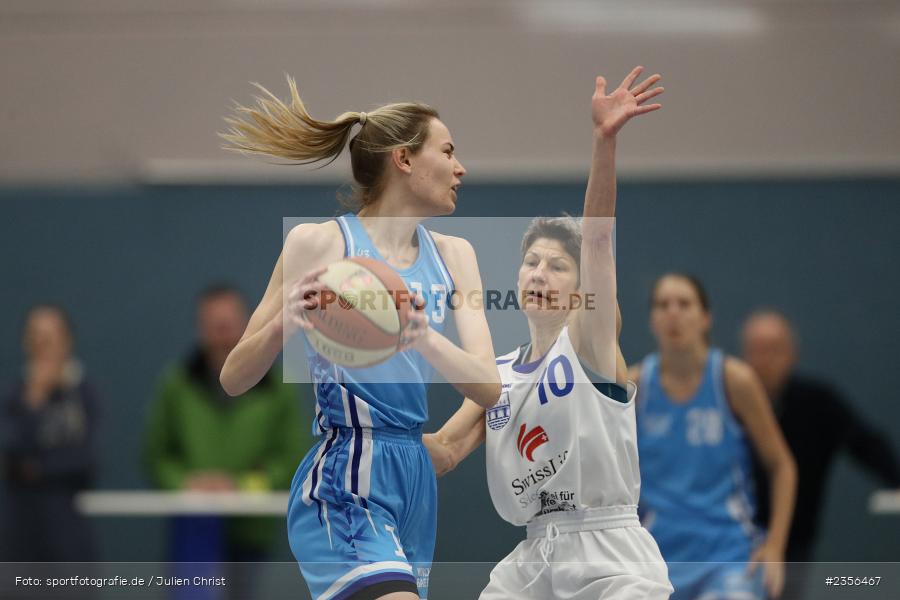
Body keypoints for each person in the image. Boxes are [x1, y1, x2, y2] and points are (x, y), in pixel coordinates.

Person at [218, 78, 501, 600]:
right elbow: (234, 379)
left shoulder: (456, 254)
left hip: (413, 474)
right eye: (448, 151)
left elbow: (488, 388)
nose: (461, 168)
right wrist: (284, 321)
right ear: (405, 160)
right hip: (347, 472)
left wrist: (421, 337)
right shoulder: (320, 242)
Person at [426, 67, 673, 599]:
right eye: (530, 262)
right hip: (534, 558)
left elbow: (599, 243)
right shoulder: (496, 376)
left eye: (557, 265)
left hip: (611, 556)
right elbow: (443, 450)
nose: (538, 273)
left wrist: (603, 142)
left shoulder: (588, 341)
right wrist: (364, 447)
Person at [631, 275, 797, 600]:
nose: (673, 313)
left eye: (684, 304)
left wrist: (775, 546)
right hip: (654, 558)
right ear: (652, 319)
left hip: (728, 556)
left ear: (705, 317)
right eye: (663, 305)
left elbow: (782, 466)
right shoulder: (634, 386)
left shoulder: (734, 380)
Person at [143, 284, 309, 600]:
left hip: (253, 532)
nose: (223, 336)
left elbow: (290, 461)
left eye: (229, 325)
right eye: (214, 326)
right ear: (200, 329)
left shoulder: (277, 389)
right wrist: (187, 484)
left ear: (246, 324)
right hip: (193, 531)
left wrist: (243, 486)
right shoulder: (177, 385)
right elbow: (157, 455)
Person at [741, 309, 900, 564]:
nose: (764, 360)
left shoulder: (817, 402)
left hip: (796, 546)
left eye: (773, 349)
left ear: (792, 353)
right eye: (756, 350)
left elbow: (866, 444)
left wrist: (895, 477)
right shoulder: (730, 405)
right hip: (734, 546)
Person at [1, 305, 98, 563]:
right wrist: (35, 399)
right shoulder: (13, 397)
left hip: (68, 536)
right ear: (25, 342)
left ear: (67, 341)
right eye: (36, 338)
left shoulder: (84, 396)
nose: (43, 346)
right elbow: (10, 452)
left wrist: (34, 468)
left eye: (50, 338)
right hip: (20, 537)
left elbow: (84, 459)